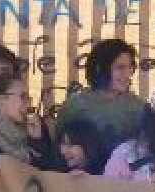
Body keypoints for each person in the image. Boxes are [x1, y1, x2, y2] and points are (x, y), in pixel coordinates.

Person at [56, 38, 142, 166]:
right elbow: (59, 149)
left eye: (130, 68)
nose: (128, 74)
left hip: (123, 182)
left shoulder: (138, 107)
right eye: (120, 68)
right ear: (99, 69)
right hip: (81, 181)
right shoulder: (74, 106)